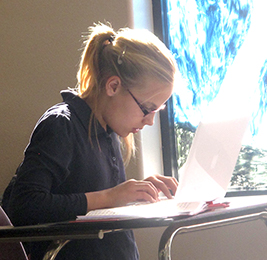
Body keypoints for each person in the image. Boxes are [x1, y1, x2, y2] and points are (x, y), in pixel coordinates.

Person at [2, 23, 179, 260]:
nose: (149, 121)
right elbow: (24, 206)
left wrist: (138, 191)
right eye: (147, 109)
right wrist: (110, 197)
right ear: (113, 86)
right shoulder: (61, 125)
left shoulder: (109, 132)